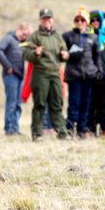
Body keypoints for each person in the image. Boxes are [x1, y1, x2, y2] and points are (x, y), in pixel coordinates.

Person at [22, 8, 69, 141]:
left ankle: (62, 132)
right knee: (40, 104)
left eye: (48, 19)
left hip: (55, 74)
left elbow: (64, 51)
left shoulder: (57, 36)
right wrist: (35, 53)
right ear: (40, 20)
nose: (46, 21)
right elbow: (25, 54)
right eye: (44, 19)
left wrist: (65, 55)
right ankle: (37, 134)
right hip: (40, 74)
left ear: (52, 20)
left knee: (57, 104)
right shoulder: (34, 36)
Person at [62, 6, 101, 139]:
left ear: (87, 22)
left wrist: (98, 70)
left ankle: (82, 129)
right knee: (74, 103)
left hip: (89, 75)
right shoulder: (68, 36)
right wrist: (67, 54)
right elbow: (62, 53)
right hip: (74, 75)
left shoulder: (93, 37)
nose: (80, 22)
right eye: (77, 20)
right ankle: (70, 129)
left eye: (82, 20)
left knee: (86, 103)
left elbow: (97, 56)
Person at [0, 22, 33, 135]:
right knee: (11, 103)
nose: (25, 37)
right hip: (10, 76)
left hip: (19, 77)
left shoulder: (22, 43)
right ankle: (9, 128)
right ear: (20, 29)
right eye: (24, 34)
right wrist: (8, 66)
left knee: (18, 103)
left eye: (27, 36)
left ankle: (15, 128)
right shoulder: (9, 39)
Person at [88, 10, 105, 138]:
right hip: (90, 75)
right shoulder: (86, 37)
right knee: (91, 103)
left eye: (97, 20)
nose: (95, 22)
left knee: (104, 104)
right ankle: (90, 129)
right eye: (92, 20)